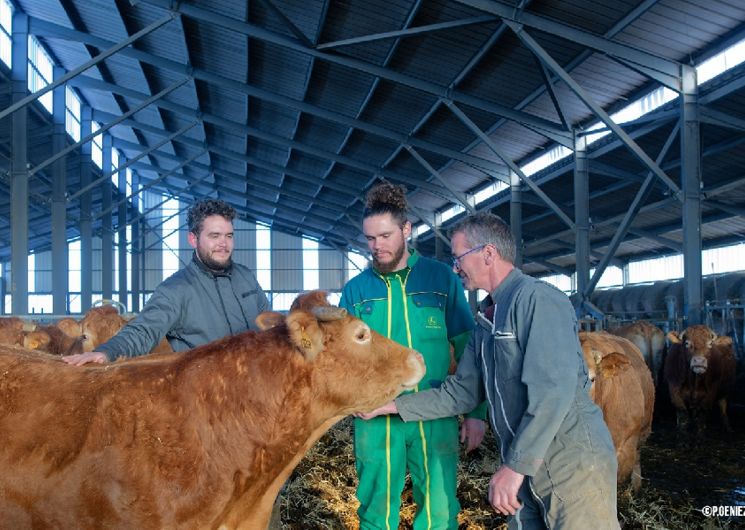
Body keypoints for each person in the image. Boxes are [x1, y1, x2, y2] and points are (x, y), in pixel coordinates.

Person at [358, 212, 620, 530]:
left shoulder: (537, 300)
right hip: (523, 463)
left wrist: (515, 466)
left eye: (458, 258)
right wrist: (388, 405)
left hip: (571, 462)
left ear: (488, 254)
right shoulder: (485, 318)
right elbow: (462, 392)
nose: (455, 268)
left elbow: (554, 390)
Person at [340, 182, 487, 530]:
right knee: (376, 513)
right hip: (375, 418)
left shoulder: (440, 279)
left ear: (407, 229)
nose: (377, 246)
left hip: (434, 413)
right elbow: (342, 359)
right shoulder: (356, 291)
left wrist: (476, 413)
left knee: (439, 512)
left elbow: (468, 348)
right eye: (371, 239)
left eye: (386, 236)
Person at [63, 197, 269, 364]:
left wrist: (301, 338)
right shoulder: (175, 289)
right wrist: (106, 352)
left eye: (229, 236)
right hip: (208, 397)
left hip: (257, 387)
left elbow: (271, 326)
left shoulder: (246, 277)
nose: (223, 243)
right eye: (214, 236)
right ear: (193, 239)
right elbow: (143, 331)